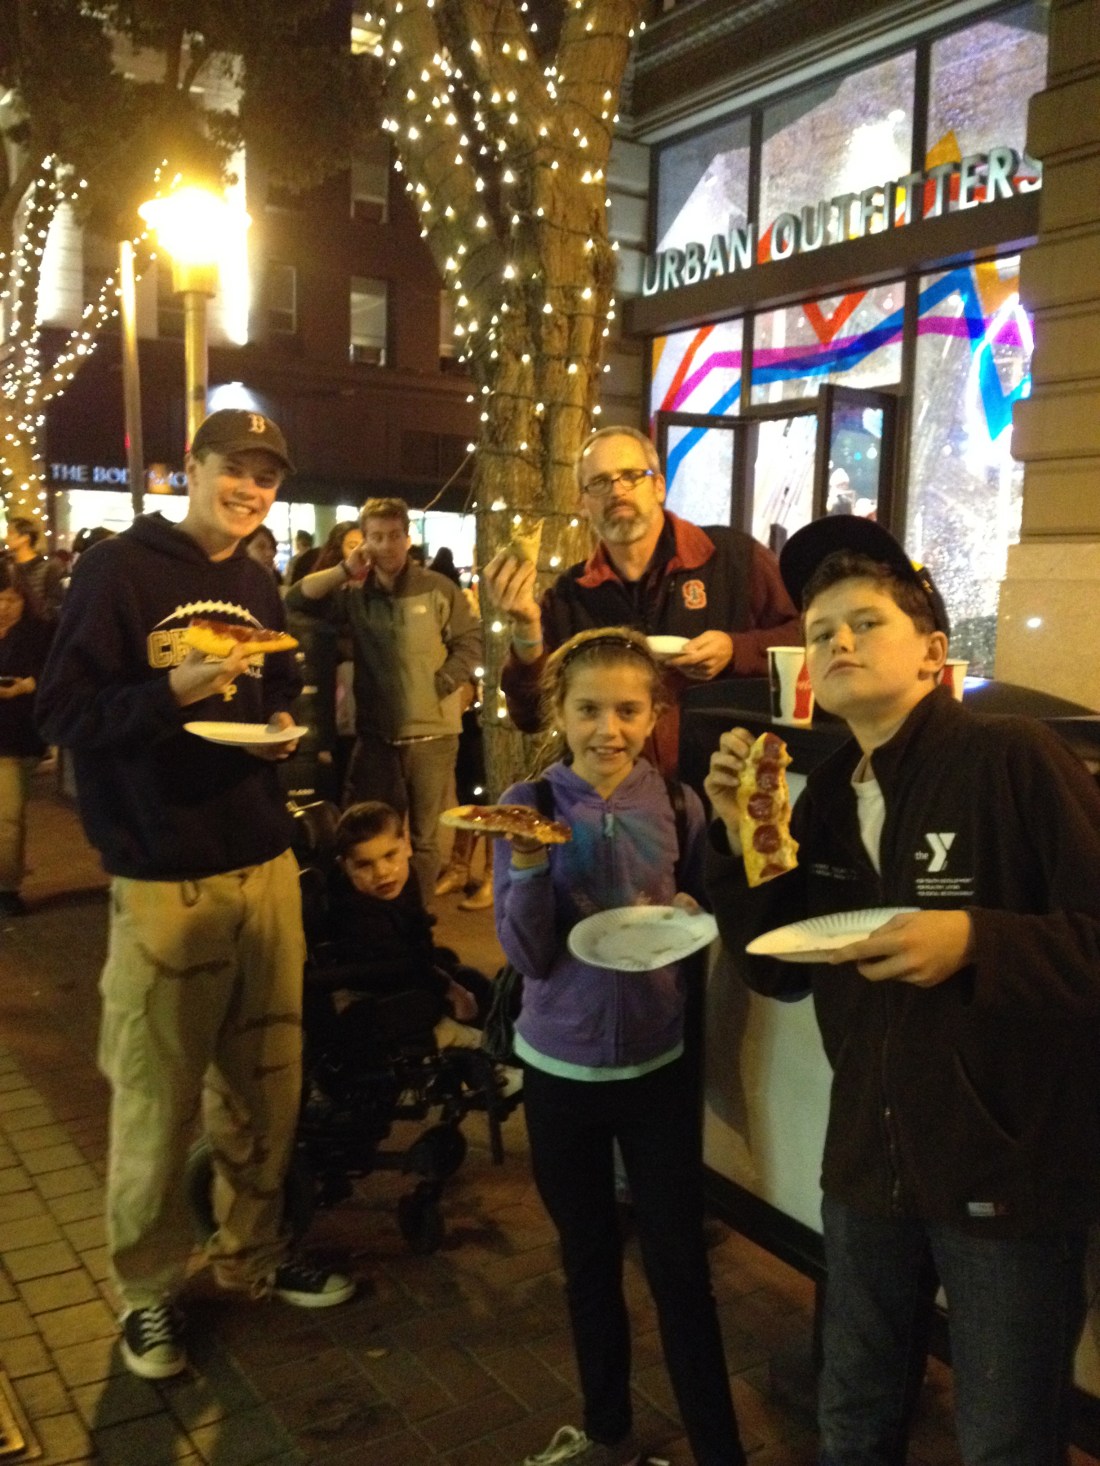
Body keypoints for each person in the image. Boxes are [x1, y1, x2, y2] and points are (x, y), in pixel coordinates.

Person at [703, 515, 1100, 1466]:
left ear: (932, 652)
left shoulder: (1012, 760)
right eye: (819, 629)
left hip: (1007, 1169)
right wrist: (738, 839)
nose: (837, 639)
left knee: (1005, 1438)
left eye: (865, 622)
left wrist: (975, 940)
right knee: (854, 1414)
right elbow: (773, 966)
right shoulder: (832, 791)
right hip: (868, 1164)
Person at [35, 407, 353, 1384]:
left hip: (261, 866)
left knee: (266, 1077)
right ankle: (146, 1296)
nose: (251, 488)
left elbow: (276, 685)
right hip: (163, 875)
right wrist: (171, 693)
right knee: (155, 1096)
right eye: (235, 468)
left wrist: (287, 716)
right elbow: (64, 712)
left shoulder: (255, 577)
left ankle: (251, 1253)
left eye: (266, 476)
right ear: (192, 467)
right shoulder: (119, 570)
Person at [494, 627, 745, 1466]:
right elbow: (528, 958)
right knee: (588, 1258)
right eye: (589, 709)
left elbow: (707, 913)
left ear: (656, 714)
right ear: (558, 713)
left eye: (628, 710)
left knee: (680, 1268)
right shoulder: (526, 804)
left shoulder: (677, 805)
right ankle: (607, 1430)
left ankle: (719, 1448)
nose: (609, 728)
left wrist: (685, 912)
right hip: (559, 1067)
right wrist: (529, 866)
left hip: (657, 1068)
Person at [483, 424, 801, 774]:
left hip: (728, 788)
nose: (617, 491)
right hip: (615, 803)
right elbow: (530, 716)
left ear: (659, 487)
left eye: (631, 476)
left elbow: (806, 636)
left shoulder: (734, 559)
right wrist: (527, 628)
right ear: (582, 504)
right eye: (599, 482)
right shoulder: (569, 597)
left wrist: (735, 650)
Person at [286, 496, 482, 897]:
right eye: (376, 537)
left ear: (408, 538)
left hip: (433, 736)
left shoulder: (439, 588)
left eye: (395, 535)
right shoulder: (355, 595)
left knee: (426, 838)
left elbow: (470, 640)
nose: (387, 545)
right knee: (370, 832)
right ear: (366, 543)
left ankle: (417, 921)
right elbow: (296, 599)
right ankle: (374, 915)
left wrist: (444, 683)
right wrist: (344, 569)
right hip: (377, 736)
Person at [315, 801, 500, 1060]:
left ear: (407, 846)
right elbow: (395, 966)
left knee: (476, 982)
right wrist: (447, 987)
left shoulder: (404, 876)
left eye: (390, 856)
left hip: (407, 968)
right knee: (425, 1003)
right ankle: (451, 1038)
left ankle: (498, 1042)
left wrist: (449, 977)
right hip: (368, 989)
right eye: (364, 865)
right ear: (345, 866)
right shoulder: (352, 908)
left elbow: (417, 939)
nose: (382, 872)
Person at [0, 559, 53, 917]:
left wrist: (26, 685)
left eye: (12, 599)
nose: (5, 607)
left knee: (7, 815)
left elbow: (53, 674)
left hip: (16, 734)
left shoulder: (39, 632)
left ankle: (6, 886)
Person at [4, 515, 64, 619]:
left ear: (25, 538)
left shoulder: (48, 567)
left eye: (11, 533)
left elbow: (54, 607)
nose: (6, 538)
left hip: (37, 629)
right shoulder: (5, 567)